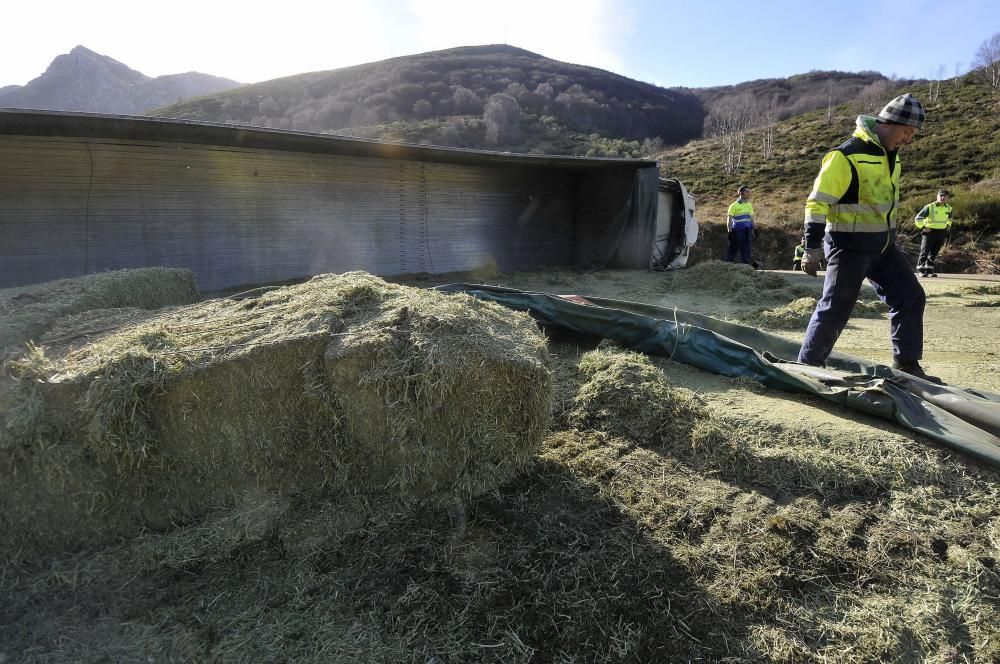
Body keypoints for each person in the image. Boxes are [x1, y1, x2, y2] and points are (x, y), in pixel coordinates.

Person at [798, 93, 943, 384]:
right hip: (848, 245)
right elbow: (817, 203)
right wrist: (811, 247)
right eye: (907, 132)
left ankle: (907, 364)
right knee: (837, 306)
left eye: (913, 134)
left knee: (911, 296)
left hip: (884, 246)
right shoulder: (845, 155)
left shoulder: (891, 155)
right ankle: (807, 367)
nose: (908, 139)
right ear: (888, 123)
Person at [914, 189, 953, 277]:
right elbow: (918, 218)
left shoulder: (949, 208)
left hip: (941, 232)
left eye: (944, 196)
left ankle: (929, 270)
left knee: (934, 252)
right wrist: (923, 227)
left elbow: (949, 219)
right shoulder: (930, 206)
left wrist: (947, 227)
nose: (942, 198)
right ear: (937, 197)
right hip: (929, 232)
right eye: (941, 196)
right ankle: (920, 270)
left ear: (947, 198)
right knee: (925, 251)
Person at [725, 185, 755, 264]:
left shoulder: (749, 205)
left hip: (747, 231)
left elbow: (751, 218)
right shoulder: (733, 205)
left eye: (750, 192)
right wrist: (729, 231)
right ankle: (728, 266)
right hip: (737, 231)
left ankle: (746, 267)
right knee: (733, 248)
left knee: (746, 250)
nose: (749, 193)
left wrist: (755, 229)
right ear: (741, 193)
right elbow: (729, 219)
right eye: (747, 192)